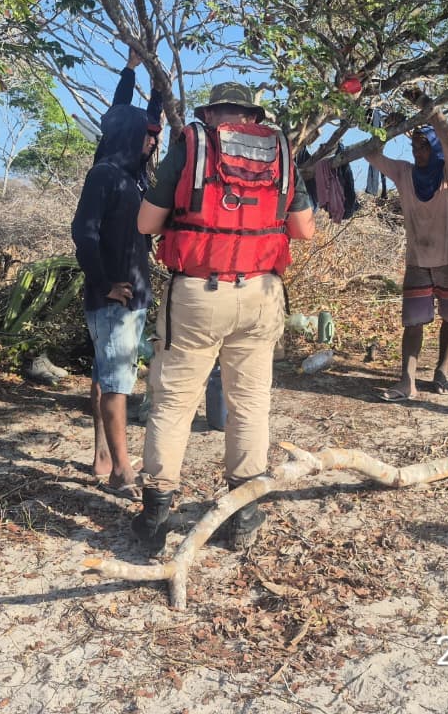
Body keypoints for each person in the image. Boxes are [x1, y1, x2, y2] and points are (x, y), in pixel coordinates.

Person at [133, 83, 315, 553]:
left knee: (172, 403)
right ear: (251, 117)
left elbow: (146, 224)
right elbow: (305, 230)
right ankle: (243, 513)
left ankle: (156, 515)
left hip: (197, 291)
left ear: (212, 114)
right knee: (250, 403)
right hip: (260, 294)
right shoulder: (280, 153)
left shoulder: (192, 145)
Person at [70, 46, 162, 499]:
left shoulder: (134, 175)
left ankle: (103, 456)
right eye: (145, 136)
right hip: (115, 298)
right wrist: (106, 284)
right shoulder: (105, 175)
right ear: (128, 136)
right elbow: (83, 234)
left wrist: (151, 82)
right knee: (118, 381)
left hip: (131, 295)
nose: (151, 141)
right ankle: (122, 470)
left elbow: (134, 115)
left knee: (106, 375)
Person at [364, 106, 448, 401]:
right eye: (414, 145)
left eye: (424, 146)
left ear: (435, 147)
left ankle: (442, 371)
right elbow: (372, 155)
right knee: (413, 320)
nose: (418, 151)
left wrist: (431, 110)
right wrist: (381, 128)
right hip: (418, 261)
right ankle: (407, 380)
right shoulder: (404, 173)